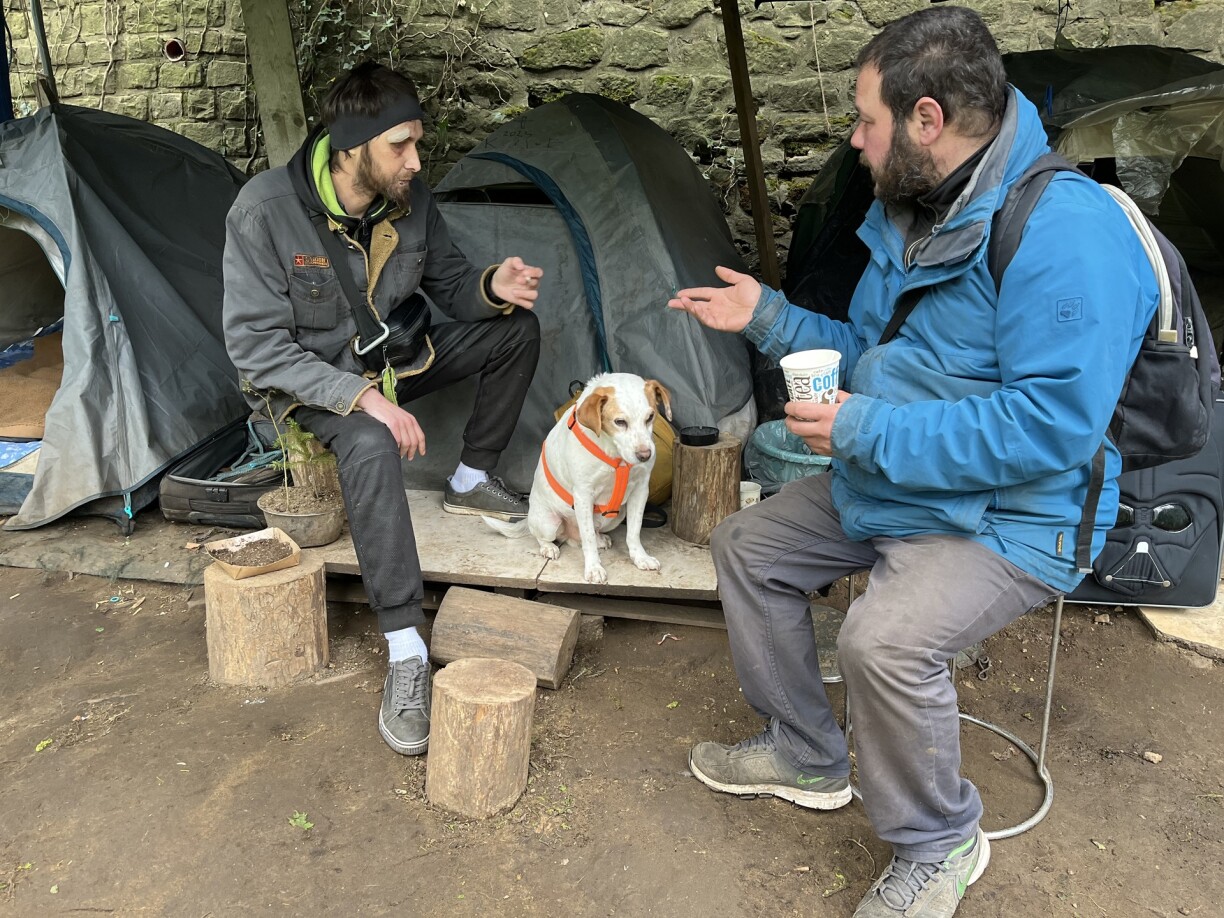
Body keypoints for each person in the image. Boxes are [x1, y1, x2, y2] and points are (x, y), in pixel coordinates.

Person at [668, 7, 1156, 917]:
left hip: (1016, 515)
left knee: (881, 640)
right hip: (904, 479)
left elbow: (1052, 427)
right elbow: (871, 353)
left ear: (926, 119)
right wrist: (768, 318)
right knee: (748, 547)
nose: (854, 141)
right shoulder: (915, 206)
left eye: (866, 121)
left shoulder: (1065, 231)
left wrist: (863, 433)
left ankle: (940, 843)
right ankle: (807, 754)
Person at [223, 62, 544, 757]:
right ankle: (405, 645)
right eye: (401, 145)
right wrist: (362, 398)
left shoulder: (409, 198)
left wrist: (495, 285)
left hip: (392, 365)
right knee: (369, 440)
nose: (416, 160)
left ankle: (471, 480)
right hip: (310, 389)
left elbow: (452, 286)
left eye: (417, 142)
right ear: (351, 147)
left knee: (515, 329)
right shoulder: (264, 211)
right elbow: (256, 349)